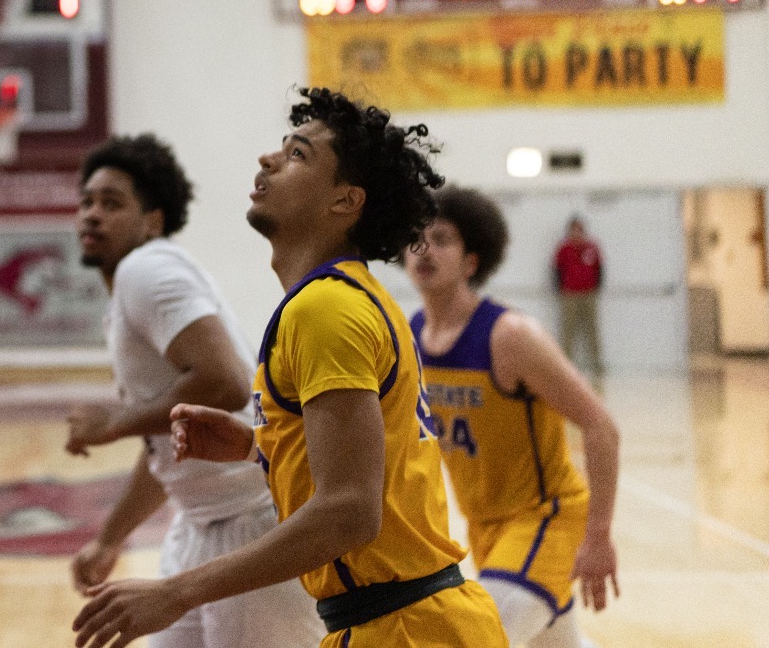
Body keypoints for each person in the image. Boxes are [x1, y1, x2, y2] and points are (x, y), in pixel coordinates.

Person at [75, 88, 507, 648]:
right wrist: (265, 445)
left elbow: (350, 512)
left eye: (298, 154)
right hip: (403, 621)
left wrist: (177, 591)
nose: (269, 160)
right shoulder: (345, 297)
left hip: (409, 628)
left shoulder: (326, 308)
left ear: (345, 202)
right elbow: (380, 457)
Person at [64, 134, 323, 648]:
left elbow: (225, 381)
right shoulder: (131, 291)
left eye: (112, 203)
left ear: (152, 221)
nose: (92, 214)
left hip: (254, 522)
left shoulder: (148, 268)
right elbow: (174, 442)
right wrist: (110, 538)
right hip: (201, 523)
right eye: (87, 201)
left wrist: (113, 423)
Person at [409, 187, 620, 647]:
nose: (425, 249)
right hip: (485, 528)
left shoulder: (510, 336)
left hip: (547, 518)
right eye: (417, 238)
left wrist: (599, 536)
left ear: (471, 261)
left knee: (472, 639)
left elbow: (601, 425)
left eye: (442, 238)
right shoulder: (410, 337)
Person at [551, 219, 604, 378]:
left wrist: (595, 288)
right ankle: (565, 365)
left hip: (589, 294)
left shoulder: (592, 247)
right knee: (568, 330)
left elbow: (600, 269)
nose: (577, 233)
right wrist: (560, 289)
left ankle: (597, 365)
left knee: (592, 330)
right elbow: (556, 270)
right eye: (574, 230)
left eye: (579, 230)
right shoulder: (564, 249)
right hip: (569, 294)